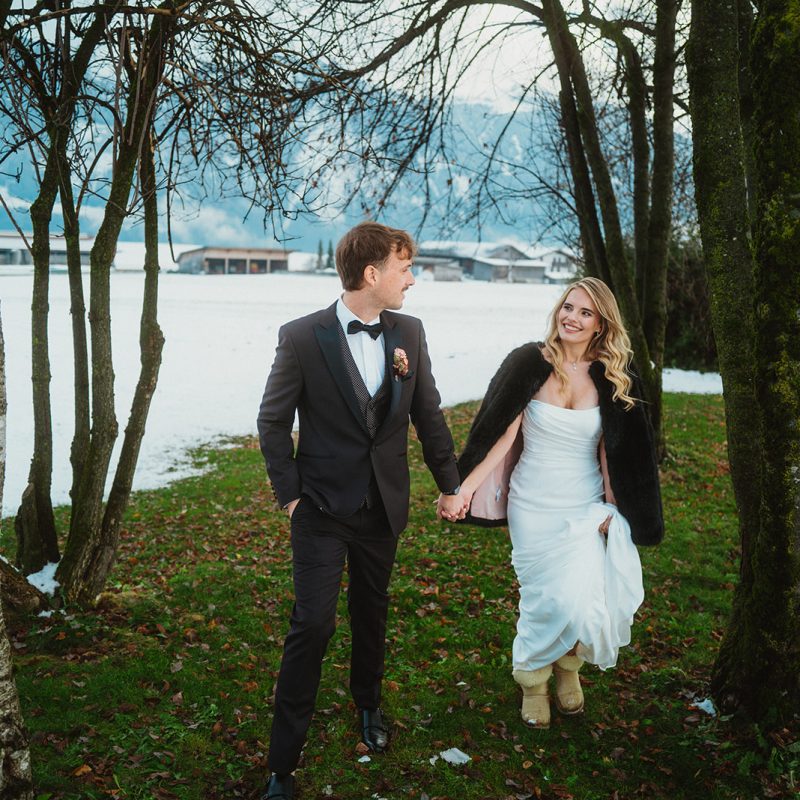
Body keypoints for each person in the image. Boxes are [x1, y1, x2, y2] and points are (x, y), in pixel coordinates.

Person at [256, 221, 464, 800]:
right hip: (320, 509)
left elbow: (429, 414)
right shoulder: (302, 337)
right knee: (313, 624)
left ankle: (368, 705)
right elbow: (272, 423)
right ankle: (282, 762)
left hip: (383, 510)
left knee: (372, 613)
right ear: (372, 274)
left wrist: (449, 485)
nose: (411, 280)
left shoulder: (409, 333)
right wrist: (290, 495)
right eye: (404, 268)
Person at [443, 277, 663, 728]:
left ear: (601, 323)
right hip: (533, 504)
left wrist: (617, 512)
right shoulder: (530, 363)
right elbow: (500, 435)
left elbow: (627, 456)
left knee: (580, 601)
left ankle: (567, 669)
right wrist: (464, 488)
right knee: (544, 598)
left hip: (584, 505)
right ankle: (532, 680)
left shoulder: (614, 376)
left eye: (585, 312)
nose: (572, 318)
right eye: (568, 306)